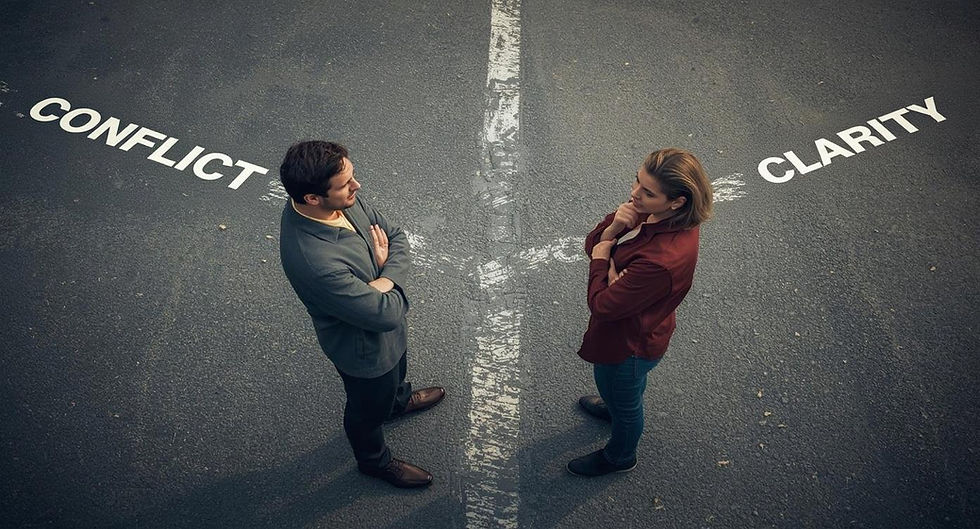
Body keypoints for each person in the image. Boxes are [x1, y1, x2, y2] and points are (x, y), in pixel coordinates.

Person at [278, 140, 445, 488]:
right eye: (346, 184)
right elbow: (387, 315)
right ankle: (374, 461)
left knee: (397, 372)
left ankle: (397, 403)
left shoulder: (338, 201)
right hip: (363, 351)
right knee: (366, 411)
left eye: (352, 177)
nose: (357, 187)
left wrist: (384, 278)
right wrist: (388, 280)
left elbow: (395, 235)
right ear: (312, 198)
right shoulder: (315, 261)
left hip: (383, 332)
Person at [568, 147, 713, 477]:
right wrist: (609, 236)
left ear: (677, 200)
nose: (634, 194)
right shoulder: (659, 215)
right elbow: (594, 244)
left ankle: (620, 456)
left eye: (647, 192)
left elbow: (602, 305)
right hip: (644, 326)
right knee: (624, 392)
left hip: (628, 345)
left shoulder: (662, 260)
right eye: (637, 181)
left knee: (625, 400)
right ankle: (614, 406)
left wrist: (604, 258)